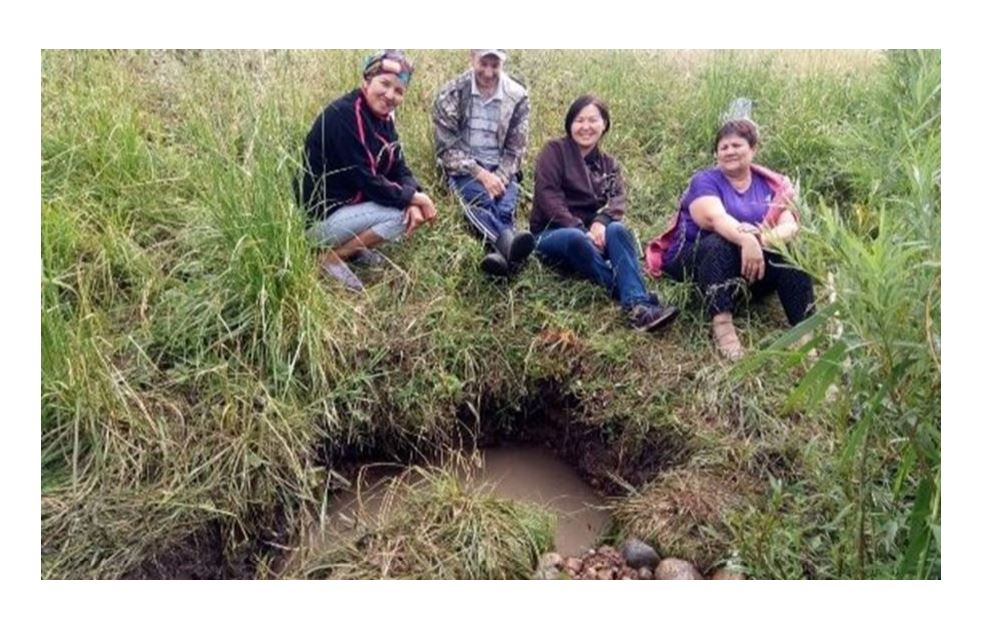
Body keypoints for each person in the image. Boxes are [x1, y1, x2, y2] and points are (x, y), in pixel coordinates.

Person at [645, 105, 814, 360]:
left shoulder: (772, 185)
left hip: (749, 265)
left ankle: (806, 336)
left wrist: (759, 241)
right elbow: (713, 218)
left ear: (753, 149)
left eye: (737, 145)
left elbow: (789, 226)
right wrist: (746, 238)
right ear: (716, 154)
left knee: (791, 252)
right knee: (718, 243)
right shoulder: (705, 181)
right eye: (723, 147)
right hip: (695, 260)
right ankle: (723, 325)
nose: (730, 151)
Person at [530, 95, 679, 332]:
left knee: (618, 229)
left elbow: (616, 200)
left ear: (604, 125)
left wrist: (600, 222)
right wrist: (580, 229)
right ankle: (636, 294)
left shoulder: (608, 164)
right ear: (570, 123)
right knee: (576, 239)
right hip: (552, 234)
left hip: (592, 236)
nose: (586, 127)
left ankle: (637, 308)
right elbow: (549, 198)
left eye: (593, 120)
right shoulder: (554, 152)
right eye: (579, 120)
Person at [299, 49, 437, 291]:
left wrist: (415, 197)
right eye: (384, 83)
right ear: (366, 80)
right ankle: (332, 257)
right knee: (398, 216)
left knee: (404, 207)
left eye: (399, 91)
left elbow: (399, 167)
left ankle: (353, 251)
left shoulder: (384, 118)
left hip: (348, 208)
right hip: (318, 220)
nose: (390, 95)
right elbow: (367, 180)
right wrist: (415, 199)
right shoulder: (345, 114)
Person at [433, 49, 534, 277]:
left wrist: (499, 176)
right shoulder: (450, 93)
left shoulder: (518, 96)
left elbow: (516, 149)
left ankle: (500, 258)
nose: (488, 72)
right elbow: (447, 149)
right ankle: (512, 254)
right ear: (472, 58)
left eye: (495, 65)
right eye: (483, 63)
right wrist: (481, 174)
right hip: (465, 166)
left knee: (504, 208)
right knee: (479, 203)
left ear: (503, 63)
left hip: (502, 167)